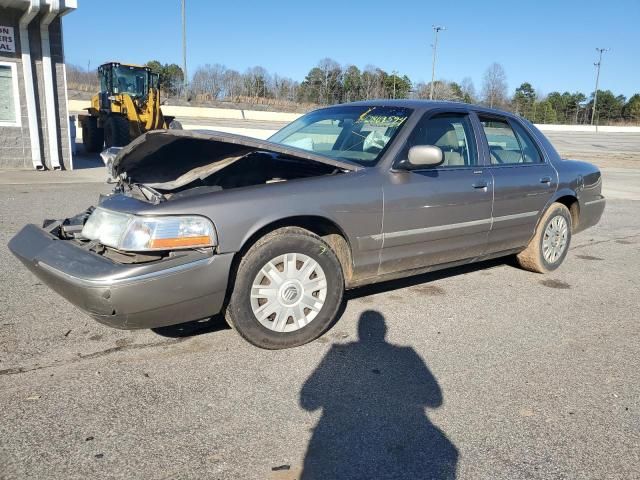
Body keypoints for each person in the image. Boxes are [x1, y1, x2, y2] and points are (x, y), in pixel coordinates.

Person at [300, 310, 458, 479]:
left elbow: (307, 402)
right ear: (385, 329)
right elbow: (435, 400)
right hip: (399, 436)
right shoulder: (407, 355)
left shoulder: (336, 352)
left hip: (334, 446)